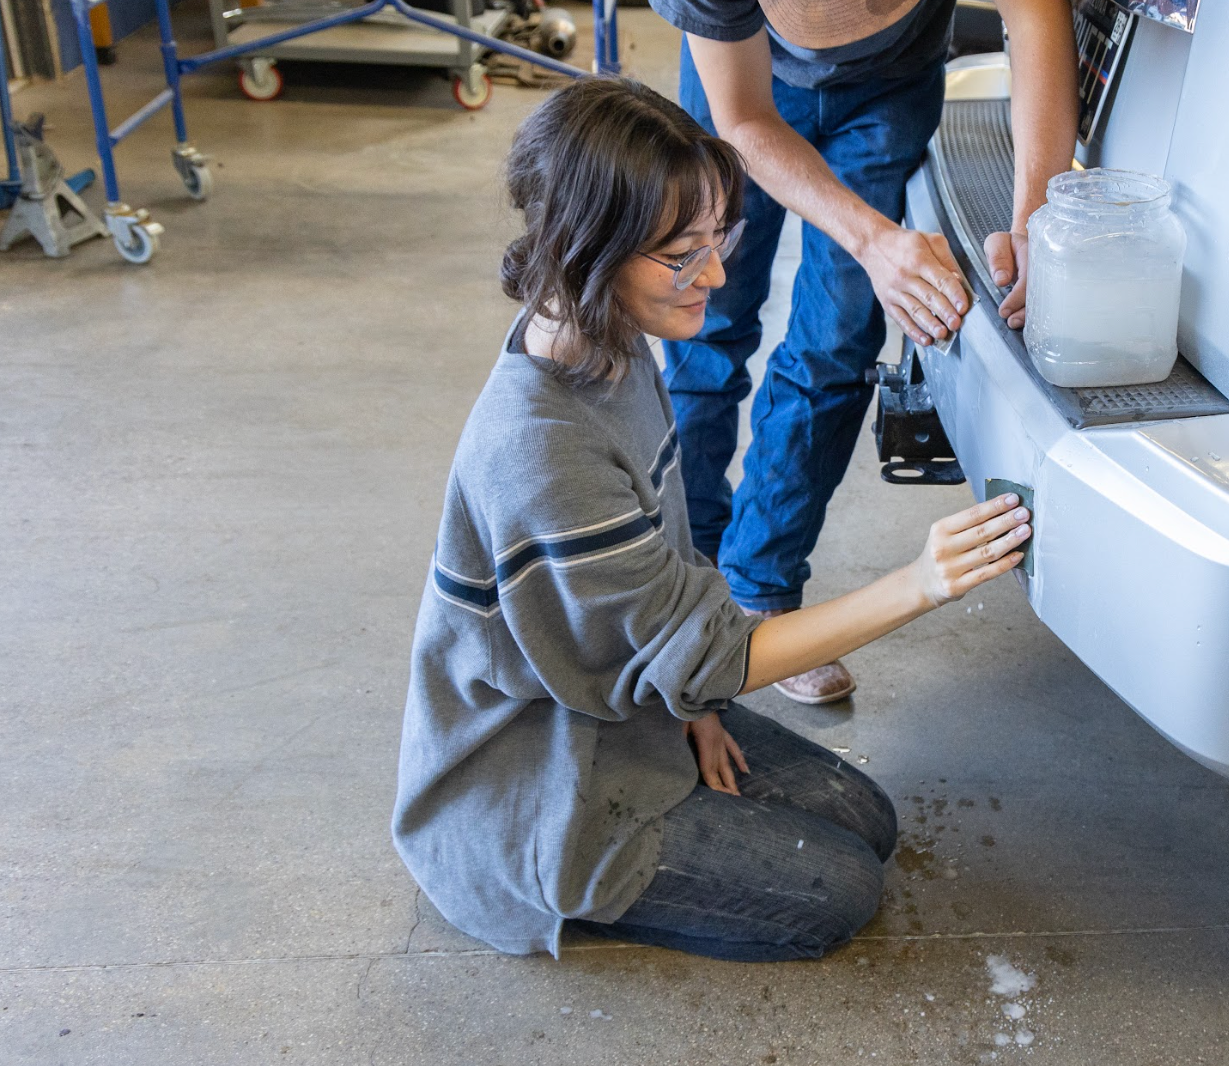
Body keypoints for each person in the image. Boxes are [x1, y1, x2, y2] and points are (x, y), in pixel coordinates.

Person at [392, 77, 1032, 959]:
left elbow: (668, 571)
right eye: (680, 253)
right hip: (539, 782)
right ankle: (570, 881)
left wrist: (691, 703)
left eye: (714, 238)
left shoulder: (605, 341)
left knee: (865, 819)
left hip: (618, 712)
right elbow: (719, 654)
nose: (718, 274)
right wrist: (919, 583)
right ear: (589, 247)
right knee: (842, 890)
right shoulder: (543, 452)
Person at [648, 0, 1078, 704]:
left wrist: (1037, 217)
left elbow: (1030, 9)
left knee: (837, 340)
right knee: (702, 323)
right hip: (750, 82)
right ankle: (689, 591)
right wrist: (876, 237)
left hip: (892, 85)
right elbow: (745, 118)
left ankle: (760, 604)